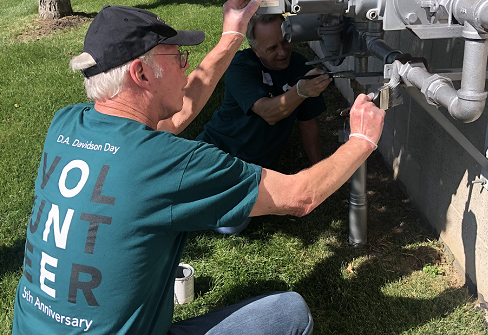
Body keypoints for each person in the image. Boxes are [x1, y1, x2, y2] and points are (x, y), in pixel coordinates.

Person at [11, 2, 385, 335]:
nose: (185, 68)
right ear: (142, 74)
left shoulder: (66, 124)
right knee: (290, 312)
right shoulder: (165, 162)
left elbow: (184, 108)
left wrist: (231, 36)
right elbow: (300, 197)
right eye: (179, 59)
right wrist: (362, 140)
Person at [189, 14, 332, 234]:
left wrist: (320, 173)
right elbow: (269, 112)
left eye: (285, 42)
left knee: (230, 225)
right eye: (272, 48)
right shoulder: (240, 66)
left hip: (254, 167)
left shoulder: (301, 66)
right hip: (216, 149)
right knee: (174, 192)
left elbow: (308, 123)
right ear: (256, 50)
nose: (282, 52)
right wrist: (300, 91)